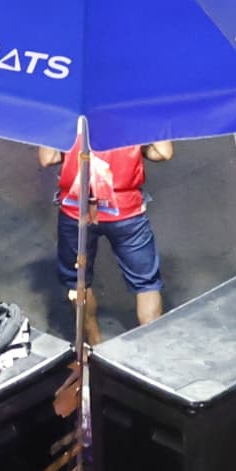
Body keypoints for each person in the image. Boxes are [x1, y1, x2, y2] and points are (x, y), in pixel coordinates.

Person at [46, 136, 174, 329]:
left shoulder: (68, 112)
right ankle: (150, 345)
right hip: (126, 211)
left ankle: (94, 344)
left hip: (77, 211)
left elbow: (48, 158)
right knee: (146, 284)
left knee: (78, 282)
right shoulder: (131, 108)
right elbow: (163, 152)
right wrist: (139, 149)